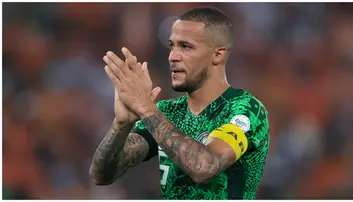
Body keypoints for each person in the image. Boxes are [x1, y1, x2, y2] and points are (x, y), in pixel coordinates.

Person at [89, 6, 270, 200]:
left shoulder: (246, 109)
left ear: (218, 55)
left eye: (185, 47)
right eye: (172, 46)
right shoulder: (167, 111)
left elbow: (204, 167)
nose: (172, 56)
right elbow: (101, 175)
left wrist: (146, 108)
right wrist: (121, 126)